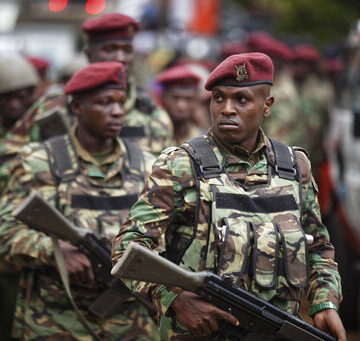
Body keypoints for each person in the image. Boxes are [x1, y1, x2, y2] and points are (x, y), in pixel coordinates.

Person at [112, 52, 347, 341]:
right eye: (219, 98)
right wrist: (174, 301)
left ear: (267, 106)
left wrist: (325, 302)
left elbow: (319, 248)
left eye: (242, 100)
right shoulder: (180, 165)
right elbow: (128, 247)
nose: (227, 109)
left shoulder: (294, 166)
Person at [0, 62, 158, 340]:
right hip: (53, 323)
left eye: (120, 102)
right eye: (104, 103)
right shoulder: (37, 163)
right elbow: (5, 233)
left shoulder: (150, 167)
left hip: (130, 326)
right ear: (76, 107)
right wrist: (54, 251)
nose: (117, 111)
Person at [3, 13, 174, 157]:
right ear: (89, 54)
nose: (120, 57)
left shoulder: (153, 116)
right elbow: (10, 156)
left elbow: (166, 178)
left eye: (127, 50)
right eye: (110, 49)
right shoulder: (53, 107)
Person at [156, 64, 202, 145]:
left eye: (188, 99)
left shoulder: (202, 139)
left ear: (196, 101)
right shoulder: (151, 133)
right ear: (163, 97)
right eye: (175, 98)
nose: (181, 106)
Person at [0, 55, 39, 141]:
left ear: (33, 94)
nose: (14, 105)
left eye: (21, 97)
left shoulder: (44, 129)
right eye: (6, 99)